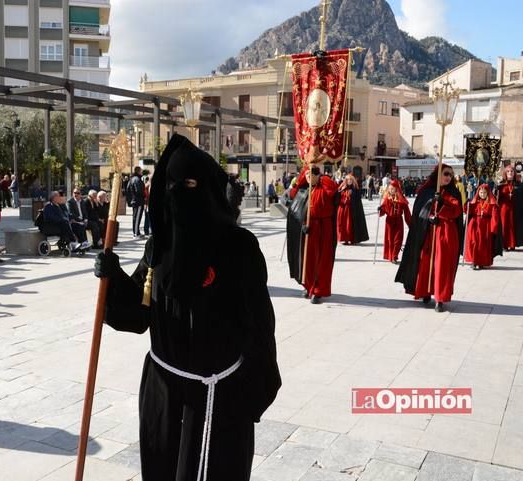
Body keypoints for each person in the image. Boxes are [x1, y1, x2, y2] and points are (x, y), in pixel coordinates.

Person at [94, 134, 280, 481]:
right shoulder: (159, 247)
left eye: (190, 183)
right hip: (163, 395)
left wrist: (252, 393)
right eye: (173, 184)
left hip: (218, 400)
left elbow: (260, 329)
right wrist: (112, 279)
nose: (180, 193)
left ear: (207, 187)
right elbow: (136, 315)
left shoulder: (239, 248)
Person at [395, 165, 463, 313]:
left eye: (451, 175)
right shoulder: (426, 192)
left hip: (446, 234)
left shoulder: (454, 192)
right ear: (438, 175)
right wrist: (430, 217)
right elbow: (420, 212)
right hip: (428, 233)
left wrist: (443, 205)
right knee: (426, 262)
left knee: (442, 266)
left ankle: (440, 298)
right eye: (445, 174)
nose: (448, 177)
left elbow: (457, 211)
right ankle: (425, 291)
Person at [287, 165, 339, 304]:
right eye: (307, 175)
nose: (310, 177)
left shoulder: (324, 187)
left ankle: (318, 290)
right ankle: (308, 285)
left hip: (325, 227)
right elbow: (295, 208)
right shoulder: (304, 190)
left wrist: (321, 176)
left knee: (322, 259)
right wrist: (302, 225)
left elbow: (333, 189)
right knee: (308, 259)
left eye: (312, 175)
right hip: (309, 228)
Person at [496, 164, 523, 251]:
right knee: (504, 226)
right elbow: (496, 198)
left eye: (512, 171)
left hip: (515, 210)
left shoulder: (519, 185)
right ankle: (504, 245)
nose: (510, 173)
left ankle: (512, 244)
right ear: (505, 173)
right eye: (508, 172)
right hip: (503, 210)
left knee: (514, 227)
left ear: (514, 173)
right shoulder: (500, 186)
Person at [465, 184, 502, 270]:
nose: (482, 194)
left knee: (483, 244)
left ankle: (481, 261)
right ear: (478, 193)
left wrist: (493, 228)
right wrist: (467, 203)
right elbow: (467, 211)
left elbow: (495, 216)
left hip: (485, 226)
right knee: (474, 243)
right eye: (481, 192)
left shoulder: (492, 204)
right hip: (474, 224)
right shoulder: (475, 202)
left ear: (488, 193)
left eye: (484, 193)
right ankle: (474, 261)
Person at [378, 180, 411, 263]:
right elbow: (382, 212)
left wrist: (411, 223)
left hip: (399, 221)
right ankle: (391, 256)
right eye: (390, 189)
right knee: (390, 239)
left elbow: (407, 212)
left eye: (393, 189)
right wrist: (380, 209)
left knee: (398, 239)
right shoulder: (387, 199)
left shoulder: (401, 199)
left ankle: (394, 256)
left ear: (396, 189)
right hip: (389, 221)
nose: (391, 190)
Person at [336, 174, 369, 245]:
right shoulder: (342, 188)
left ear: (353, 180)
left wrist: (352, 193)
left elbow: (357, 199)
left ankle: (353, 239)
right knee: (344, 225)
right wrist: (342, 191)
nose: (349, 181)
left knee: (351, 225)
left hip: (352, 209)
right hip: (343, 209)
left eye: (350, 180)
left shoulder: (355, 189)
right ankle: (345, 239)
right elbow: (337, 197)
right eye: (347, 180)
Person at [127, 166, 146, 238]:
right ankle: (136, 233)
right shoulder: (137, 179)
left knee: (136, 217)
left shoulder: (133, 179)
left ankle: (136, 232)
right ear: (138, 171)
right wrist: (144, 195)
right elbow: (139, 191)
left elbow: (128, 189)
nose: (142, 172)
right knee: (137, 217)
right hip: (138, 201)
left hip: (135, 201)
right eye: (141, 171)